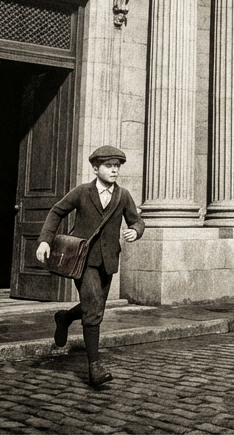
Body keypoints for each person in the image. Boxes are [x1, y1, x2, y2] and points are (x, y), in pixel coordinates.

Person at [36, 145, 144, 387]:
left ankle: (64, 318)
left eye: (117, 166)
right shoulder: (82, 192)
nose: (114, 170)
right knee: (93, 309)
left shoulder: (123, 195)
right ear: (96, 168)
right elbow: (56, 211)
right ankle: (94, 367)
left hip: (108, 261)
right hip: (82, 260)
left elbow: (137, 220)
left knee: (94, 307)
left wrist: (135, 232)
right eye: (109, 166)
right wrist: (45, 241)